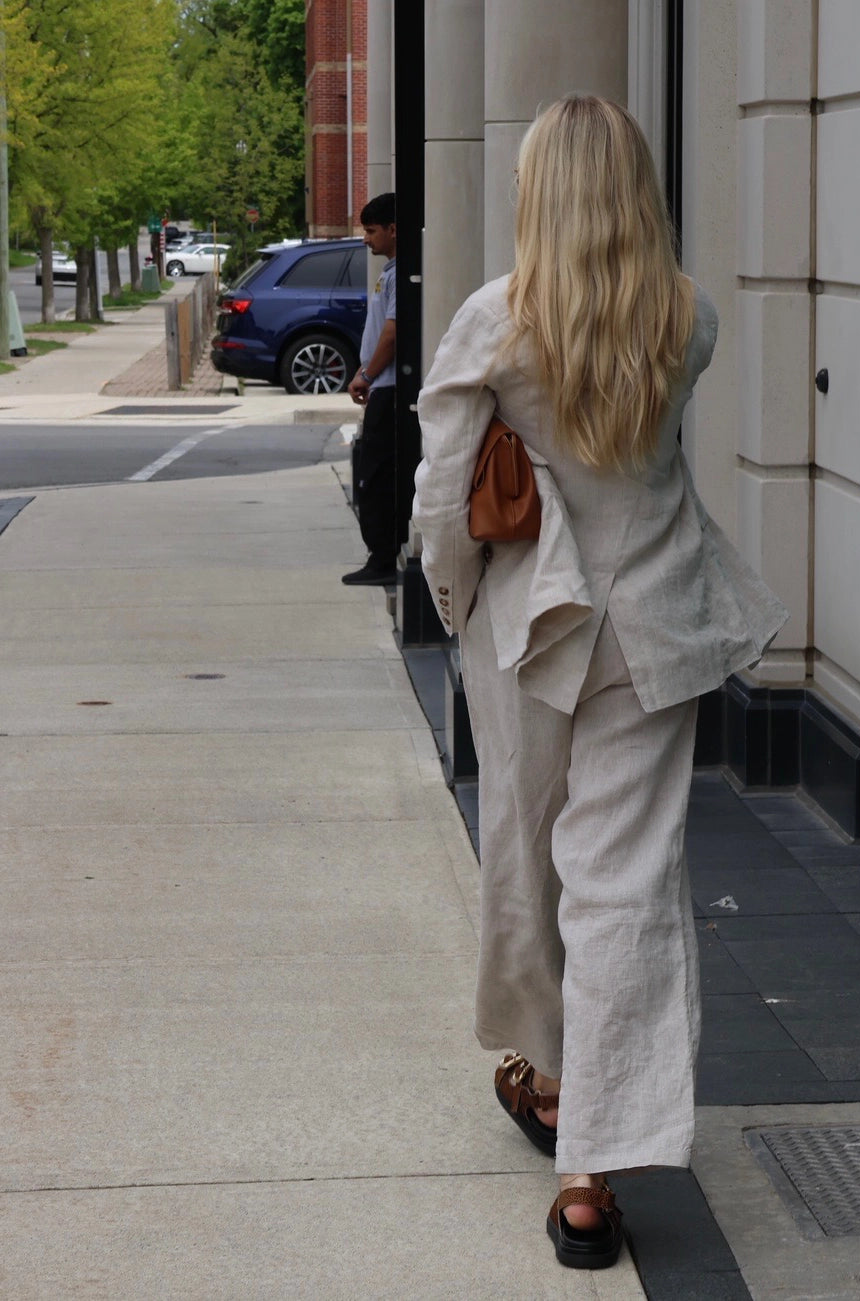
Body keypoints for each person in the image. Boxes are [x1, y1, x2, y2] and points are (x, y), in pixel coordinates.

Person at [412, 95, 786, 1269]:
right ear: (637, 189)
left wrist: (447, 600)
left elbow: (439, 493)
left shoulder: (495, 321)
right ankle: (591, 1172)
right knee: (623, 879)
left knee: (528, 851)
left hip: (533, 624)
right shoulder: (690, 318)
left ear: (538, 191)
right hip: (659, 623)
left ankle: (559, 1080)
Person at [343, 193, 400, 586]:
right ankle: (380, 554)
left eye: (371, 230)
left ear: (393, 230)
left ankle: (382, 559)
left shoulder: (400, 274)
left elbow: (392, 332)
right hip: (383, 386)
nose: (366, 239)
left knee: (376, 476)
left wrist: (367, 373)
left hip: (390, 387)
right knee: (372, 472)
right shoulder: (392, 272)